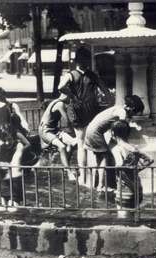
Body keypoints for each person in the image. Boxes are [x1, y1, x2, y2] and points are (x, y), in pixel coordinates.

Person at [58, 47, 112, 185]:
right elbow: (104, 89)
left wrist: (72, 96)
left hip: (81, 110)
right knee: (84, 142)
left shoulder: (74, 74)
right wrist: (110, 102)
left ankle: (85, 176)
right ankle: (85, 175)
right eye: (86, 59)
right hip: (83, 110)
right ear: (80, 60)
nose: (86, 62)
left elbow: (61, 87)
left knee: (82, 142)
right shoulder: (83, 74)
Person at [84, 94, 144, 192]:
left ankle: (99, 185)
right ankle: (101, 186)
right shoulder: (122, 113)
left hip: (90, 130)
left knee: (101, 158)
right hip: (95, 134)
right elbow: (120, 130)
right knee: (104, 159)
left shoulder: (118, 109)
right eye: (134, 112)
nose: (133, 115)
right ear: (131, 108)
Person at [110, 120, 153, 209]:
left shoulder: (117, 149)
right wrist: (136, 169)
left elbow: (119, 165)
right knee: (136, 216)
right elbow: (150, 159)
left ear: (113, 133)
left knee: (124, 219)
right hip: (138, 188)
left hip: (125, 189)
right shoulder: (134, 148)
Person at [38, 94, 77, 181]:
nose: (71, 100)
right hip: (46, 131)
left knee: (74, 143)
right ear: (67, 96)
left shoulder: (58, 102)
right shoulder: (60, 104)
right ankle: (68, 171)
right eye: (71, 98)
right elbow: (67, 121)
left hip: (54, 130)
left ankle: (65, 165)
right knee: (62, 146)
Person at [0, 123, 30, 206]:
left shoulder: (18, 147)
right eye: (4, 140)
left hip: (15, 184)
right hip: (3, 183)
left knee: (13, 207)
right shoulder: (1, 146)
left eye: (9, 139)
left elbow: (27, 144)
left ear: (14, 138)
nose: (7, 142)